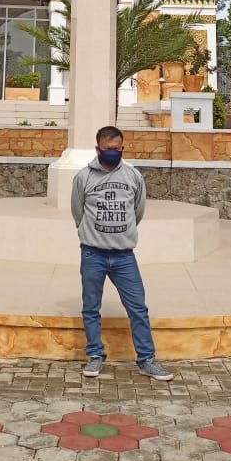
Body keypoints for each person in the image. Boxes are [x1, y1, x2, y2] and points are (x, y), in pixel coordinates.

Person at [70, 126, 173, 381]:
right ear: (98, 149)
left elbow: (137, 212)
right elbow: (78, 212)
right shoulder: (83, 177)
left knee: (138, 307)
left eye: (118, 149)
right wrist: (94, 235)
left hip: (124, 256)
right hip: (93, 254)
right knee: (91, 307)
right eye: (108, 149)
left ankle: (146, 359)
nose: (113, 153)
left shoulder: (133, 176)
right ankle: (95, 355)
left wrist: (121, 234)